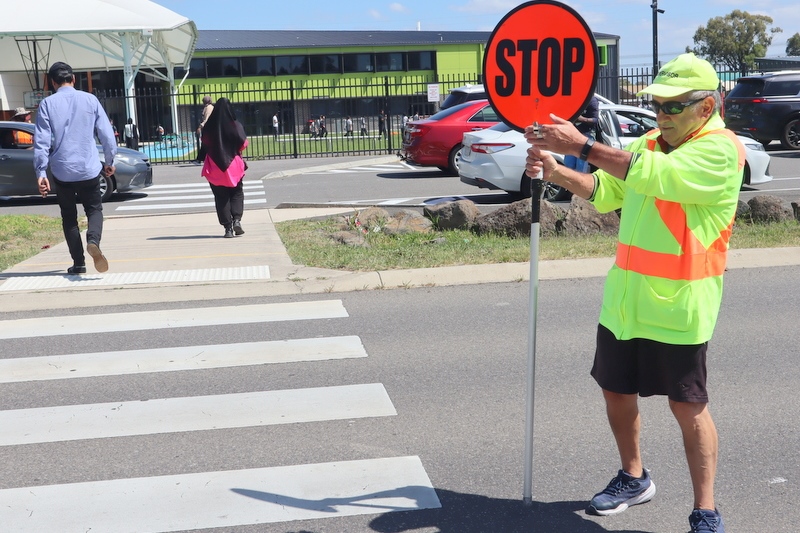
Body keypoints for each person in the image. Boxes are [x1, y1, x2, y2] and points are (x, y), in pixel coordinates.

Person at [523, 53, 742, 533]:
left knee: (687, 406)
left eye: (673, 105)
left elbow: (650, 176)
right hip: (625, 303)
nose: (661, 114)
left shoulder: (720, 150)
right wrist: (557, 169)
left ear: (707, 106)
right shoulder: (648, 143)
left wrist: (582, 143)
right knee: (616, 392)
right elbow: (605, 190)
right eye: (657, 104)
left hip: (681, 307)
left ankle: (705, 510)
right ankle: (634, 477)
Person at [34, 61, 117, 274]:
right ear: (73, 79)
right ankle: (93, 240)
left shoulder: (47, 104)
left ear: (53, 83)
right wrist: (110, 161)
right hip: (88, 168)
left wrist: (41, 172)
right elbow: (107, 134)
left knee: (69, 217)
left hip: (62, 171)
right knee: (94, 209)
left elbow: (42, 141)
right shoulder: (90, 100)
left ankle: (79, 263)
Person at [200, 97, 248, 238]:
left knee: (221, 197)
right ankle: (237, 220)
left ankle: (227, 228)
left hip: (214, 165)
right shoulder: (235, 125)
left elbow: (205, 143)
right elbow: (243, 143)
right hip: (233, 164)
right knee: (237, 193)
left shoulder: (210, 126)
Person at [563, 95, 599, 173]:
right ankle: (569, 184)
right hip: (571, 136)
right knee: (568, 165)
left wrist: (582, 119)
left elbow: (595, 120)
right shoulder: (573, 100)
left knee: (581, 166)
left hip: (586, 136)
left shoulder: (591, 101)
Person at [196, 95, 214, 162]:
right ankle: (200, 159)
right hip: (208, 128)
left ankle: (201, 159)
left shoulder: (208, 108)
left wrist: (200, 126)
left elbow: (206, 119)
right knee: (204, 144)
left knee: (205, 143)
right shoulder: (208, 107)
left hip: (208, 129)